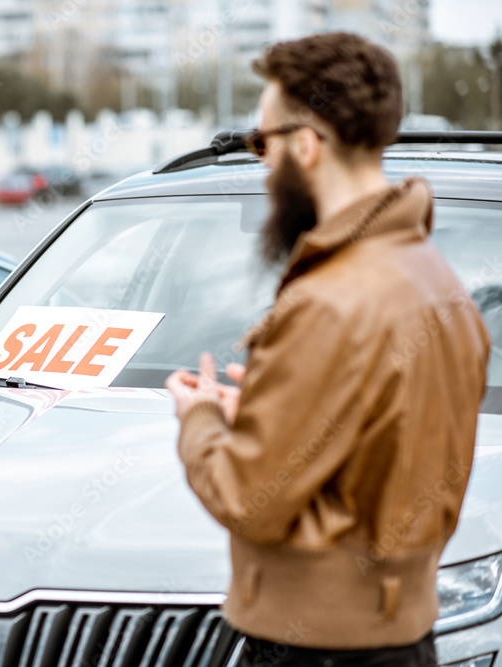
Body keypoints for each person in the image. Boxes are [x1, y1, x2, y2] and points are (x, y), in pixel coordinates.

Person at [165, 32, 491, 665]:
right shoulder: (441, 285)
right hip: (403, 636)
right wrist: (263, 414)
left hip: (312, 645)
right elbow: (377, 449)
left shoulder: (327, 302)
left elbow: (247, 497)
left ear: (306, 147)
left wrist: (200, 419)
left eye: (264, 143)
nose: (261, 163)